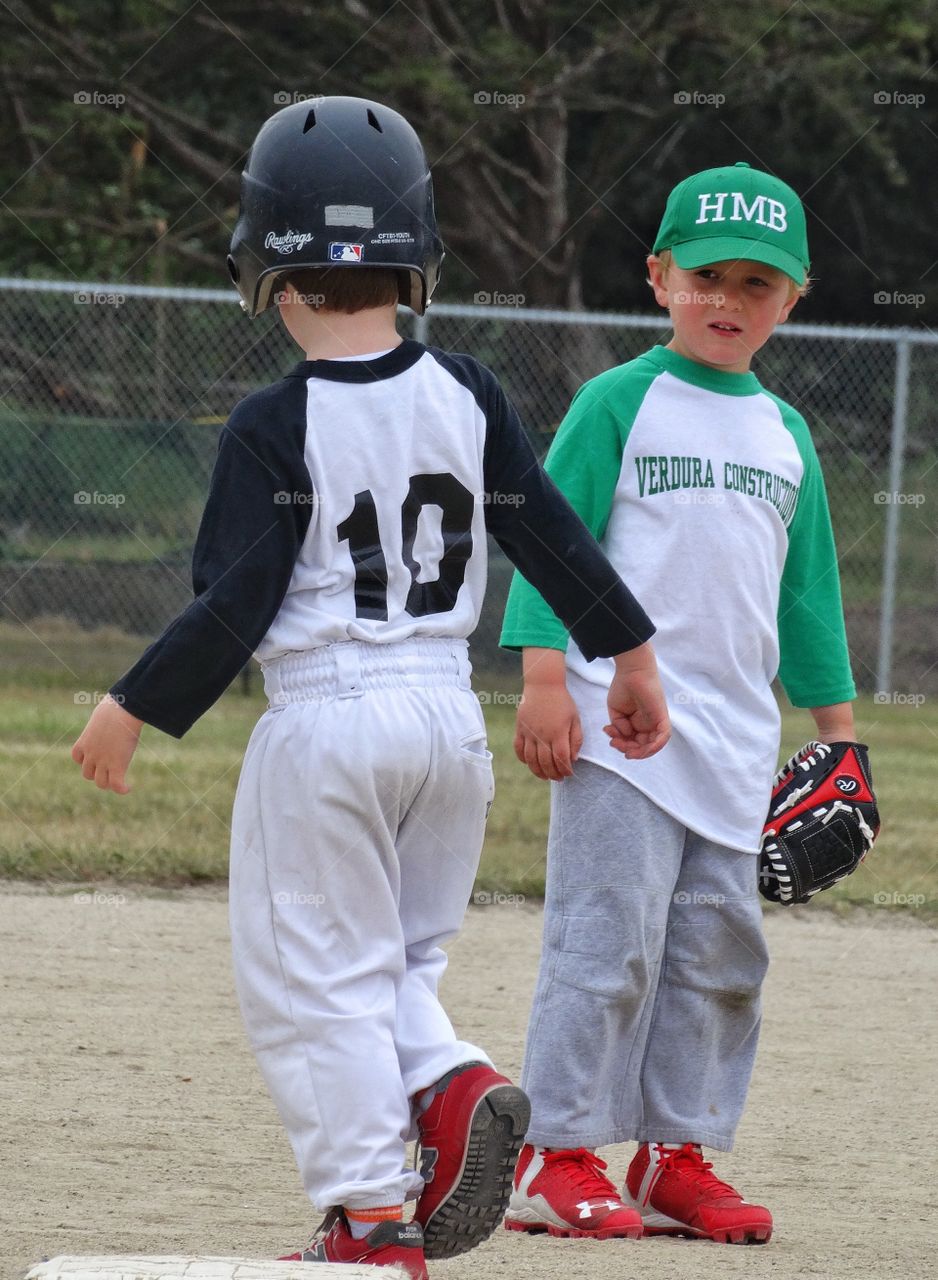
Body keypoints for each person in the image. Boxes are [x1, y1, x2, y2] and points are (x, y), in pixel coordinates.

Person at [70, 96, 669, 1278]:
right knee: (396, 965)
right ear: (416, 263)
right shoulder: (471, 393)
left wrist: (133, 701)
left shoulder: (269, 422)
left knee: (311, 978)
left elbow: (236, 598)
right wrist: (631, 654)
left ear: (270, 272)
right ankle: (451, 1080)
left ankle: (368, 1211)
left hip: (329, 717)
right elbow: (550, 536)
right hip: (448, 719)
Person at [499, 161, 857, 1246]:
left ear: (790, 301)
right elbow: (547, 540)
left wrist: (837, 737)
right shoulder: (621, 400)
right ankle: (553, 1151)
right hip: (618, 725)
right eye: (705, 274)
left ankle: (672, 1151)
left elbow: (806, 598)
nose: (727, 300)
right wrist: (544, 676)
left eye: (757, 283)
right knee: (606, 941)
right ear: (657, 276)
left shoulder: (784, 435)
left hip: (736, 745)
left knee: (715, 952)